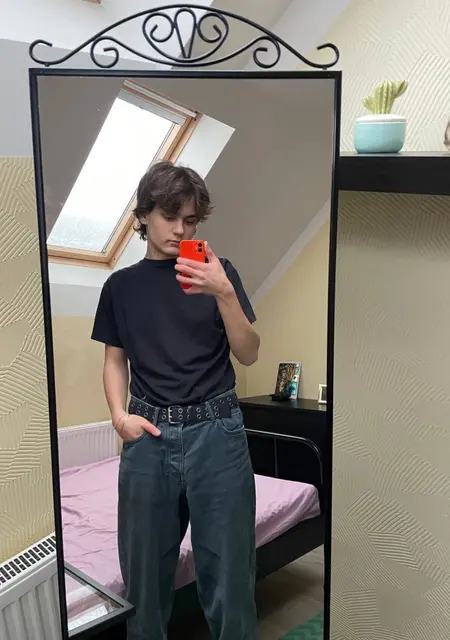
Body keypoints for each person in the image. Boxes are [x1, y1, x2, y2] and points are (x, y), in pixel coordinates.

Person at [91, 160, 260, 640]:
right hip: (148, 436)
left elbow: (249, 352)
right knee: (142, 580)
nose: (180, 230)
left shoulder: (220, 274)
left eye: (190, 220)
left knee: (230, 578)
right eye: (169, 217)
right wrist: (118, 417)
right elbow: (114, 361)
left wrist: (224, 293)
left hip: (218, 432)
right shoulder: (120, 286)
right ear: (144, 214)